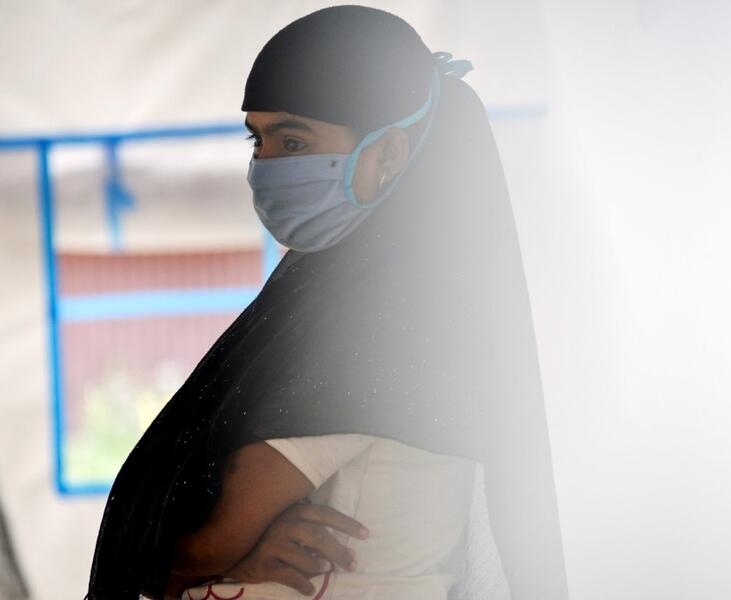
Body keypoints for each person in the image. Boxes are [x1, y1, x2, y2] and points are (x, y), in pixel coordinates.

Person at [85, 5, 568, 600]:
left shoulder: (382, 312)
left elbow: (211, 538)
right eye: (257, 140)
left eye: (294, 140)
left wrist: (199, 553)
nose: (266, 168)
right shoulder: (359, 289)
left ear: (389, 155)